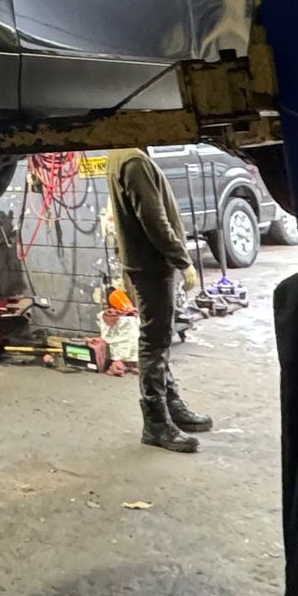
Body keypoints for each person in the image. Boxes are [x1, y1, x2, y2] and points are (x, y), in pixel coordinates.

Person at [104, 148, 213, 453]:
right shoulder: (134, 161)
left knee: (158, 339)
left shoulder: (121, 155)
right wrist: (182, 260)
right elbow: (153, 218)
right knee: (155, 341)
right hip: (151, 266)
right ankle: (155, 423)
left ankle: (171, 405)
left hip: (142, 264)